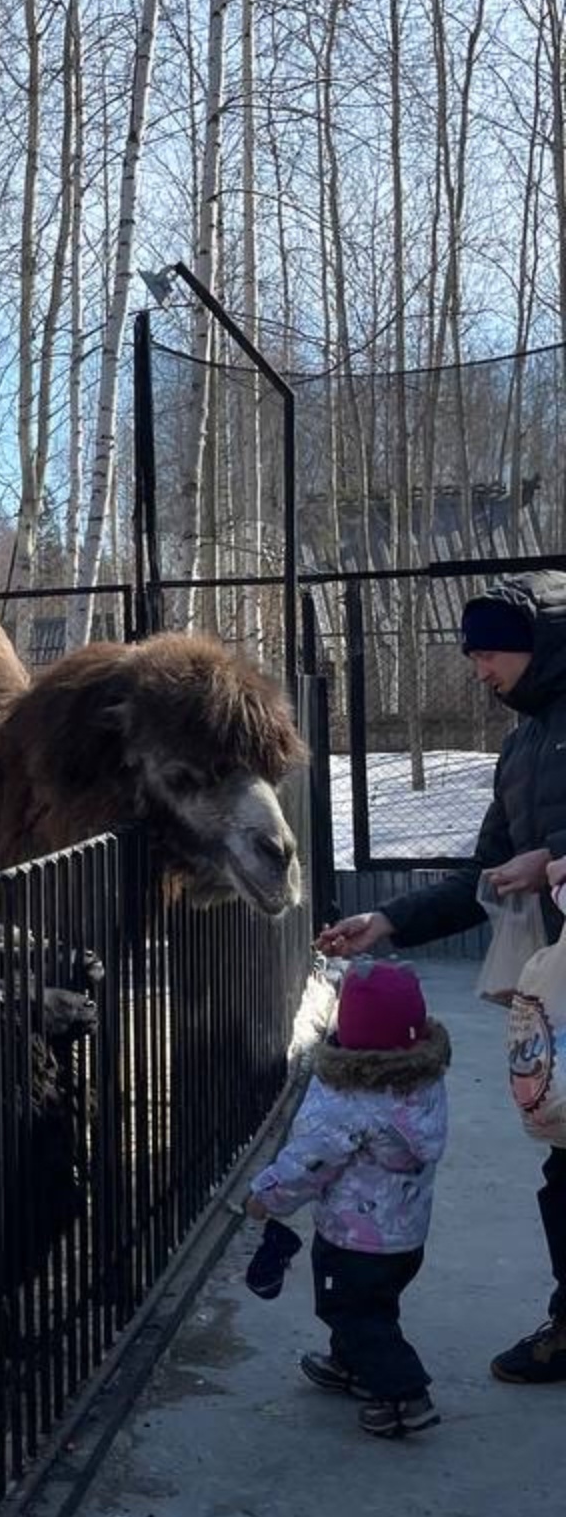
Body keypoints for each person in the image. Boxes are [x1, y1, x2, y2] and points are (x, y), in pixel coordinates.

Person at [320, 575, 566, 1384]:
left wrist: (559, 860)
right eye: (472, 654)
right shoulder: (525, 741)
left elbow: (532, 864)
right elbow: (485, 877)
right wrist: (388, 921)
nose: (479, 671)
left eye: (489, 652)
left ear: (539, 644)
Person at [242, 960, 450, 1438]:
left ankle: (404, 1395)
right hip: (405, 1236)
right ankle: (350, 1364)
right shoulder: (424, 1081)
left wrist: (266, 1197)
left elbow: (309, 1162)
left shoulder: (347, 1098)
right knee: (374, 1305)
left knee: (349, 1309)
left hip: (354, 1237)